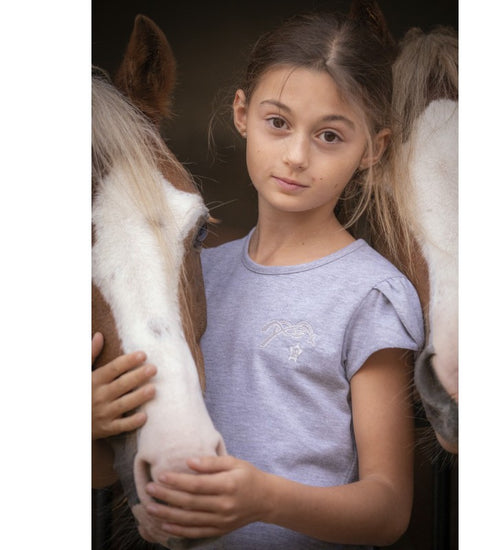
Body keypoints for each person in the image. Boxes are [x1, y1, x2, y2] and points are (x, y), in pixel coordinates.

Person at [92, 3, 424, 548]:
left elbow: (388, 509)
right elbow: (107, 475)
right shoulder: (191, 277)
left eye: (330, 136)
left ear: (374, 149)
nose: (296, 156)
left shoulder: (371, 294)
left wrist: (263, 500)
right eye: (278, 123)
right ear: (242, 113)